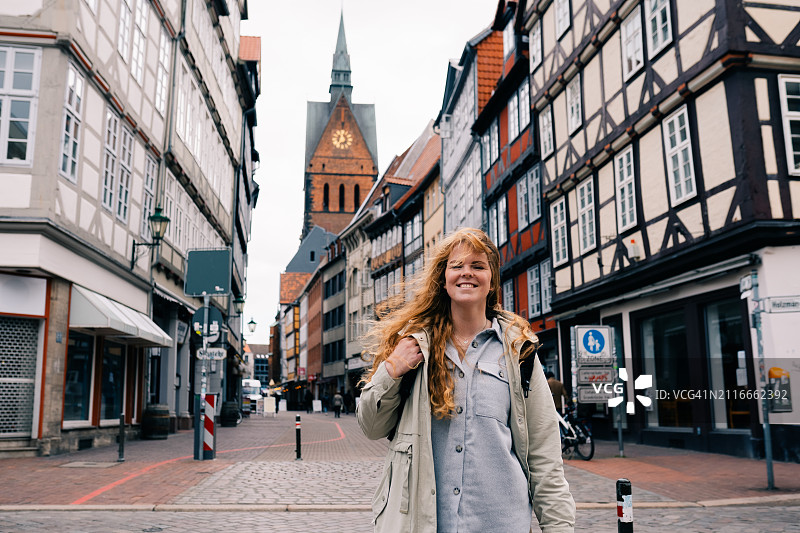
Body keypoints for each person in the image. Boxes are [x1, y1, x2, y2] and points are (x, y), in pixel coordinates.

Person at [357, 228, 575, 533]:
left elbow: (545, 459)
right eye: (456, 266)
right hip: (426, 524)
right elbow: (371, 426)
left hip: (501, 524)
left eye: (477, 266)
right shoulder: (414, 346)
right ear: (443, 278)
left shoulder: (519, 353)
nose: (466, 274)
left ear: (492, 280)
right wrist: (391, 369)